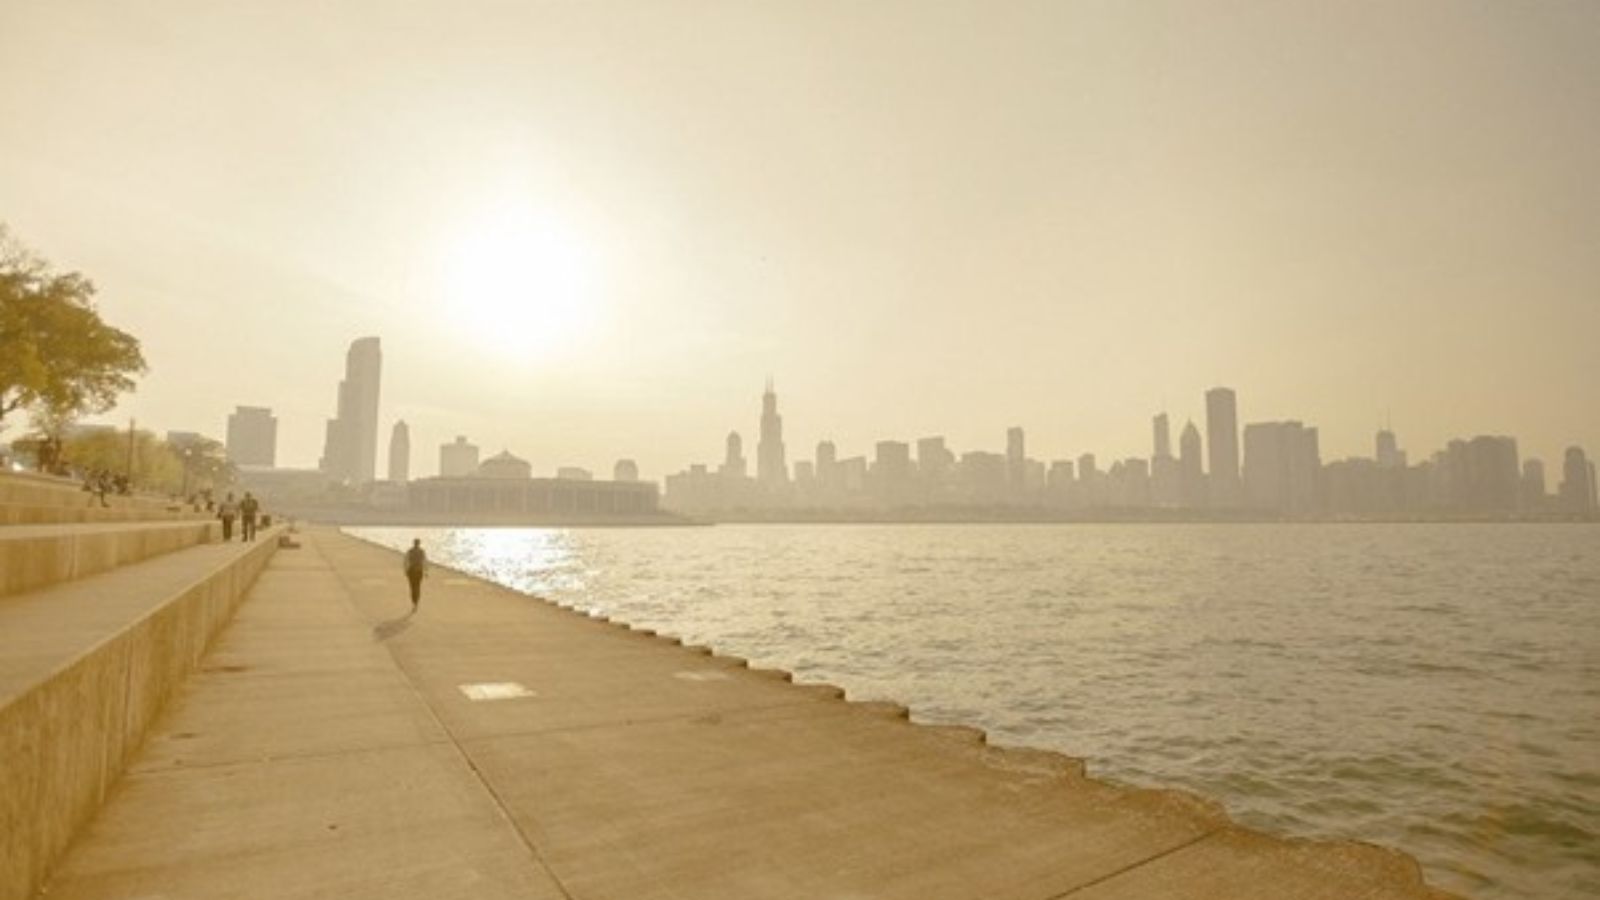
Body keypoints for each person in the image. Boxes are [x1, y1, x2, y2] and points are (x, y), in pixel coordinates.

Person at [403, 539, 428, 611]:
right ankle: (416, 602)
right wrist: (426, 572)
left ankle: (414, 602)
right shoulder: (422, 552)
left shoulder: (410, 551)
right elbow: (425, 562)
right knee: (417, 587)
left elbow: (405, 561)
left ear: (414, 543)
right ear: (419, 544)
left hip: (411, 571)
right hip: (419, 571)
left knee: (412, 587)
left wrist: (406, 571)